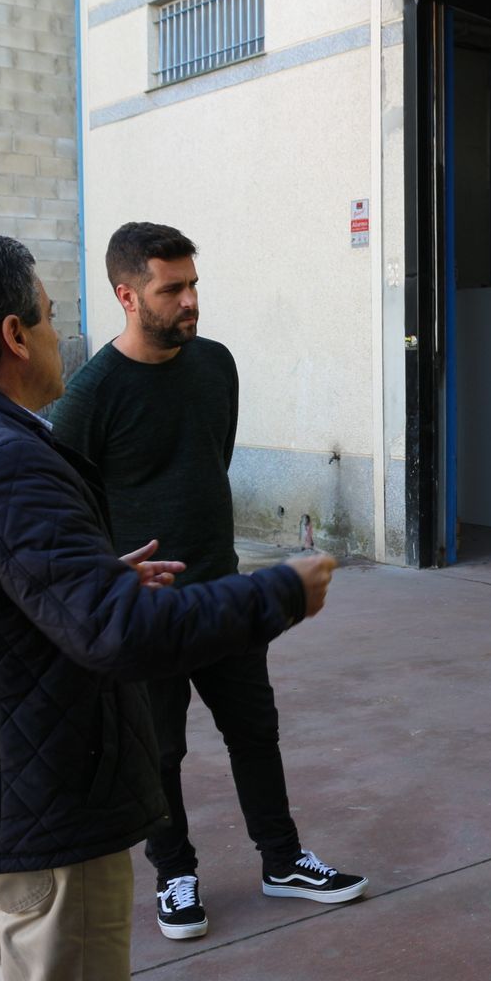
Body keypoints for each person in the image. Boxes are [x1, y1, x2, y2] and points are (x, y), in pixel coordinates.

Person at [0, 232, 337, 981]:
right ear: (15, 336)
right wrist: (280, 590)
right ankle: (179, 870)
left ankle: (283, 853)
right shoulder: (13, 458)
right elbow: (122, 635)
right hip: (36, 809)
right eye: (50, 318)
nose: (60, 333)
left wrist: (85, 574)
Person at [53, 222, 365, 941]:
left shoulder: (215, 364)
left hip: (223, 595)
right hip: (147, 609)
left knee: (255, 730)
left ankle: (282, 860)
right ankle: (175, 873)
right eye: (173, 288)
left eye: (194, 284)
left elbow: (209, 459)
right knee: (159, 749)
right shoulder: (91, 394)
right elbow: (63, 500)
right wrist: (111, 577)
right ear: (128, 295)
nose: (191, 301)